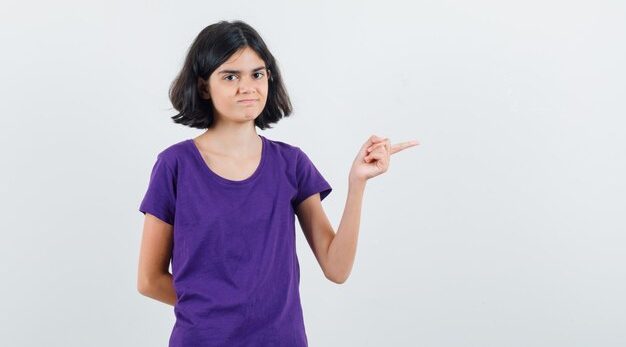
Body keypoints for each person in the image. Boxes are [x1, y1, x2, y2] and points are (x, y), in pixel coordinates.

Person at [136, 20, 419, 347]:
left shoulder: (291, 164)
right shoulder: (175, 165)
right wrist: (217, 312)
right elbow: (148, 280)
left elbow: (336, 268)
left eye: (257, 74)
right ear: (203, 87)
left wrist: (357, 183)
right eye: (230, 76)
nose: (248, 87)